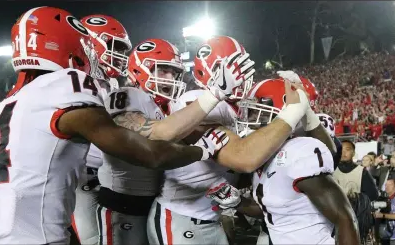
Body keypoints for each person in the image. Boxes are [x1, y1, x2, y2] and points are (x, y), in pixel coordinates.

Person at [0, 7, 230, 244]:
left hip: (2, 215)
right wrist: (204, 150)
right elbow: (150, 154)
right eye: (84, 45)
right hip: (35, 224)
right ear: (62, 44)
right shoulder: (67, 82)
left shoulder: (15, 96)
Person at [95, 37, 253, 245]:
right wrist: (216, 92)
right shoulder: (127, 95)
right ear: (139, 69)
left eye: (174, 72)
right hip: (123, 204)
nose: (170, 77)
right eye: (162, 70)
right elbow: (160, 134)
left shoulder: (168, 106)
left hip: (154, 201)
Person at [207, 78, 360, 245]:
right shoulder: (264, 157)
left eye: (255, 111)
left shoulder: (298, 152)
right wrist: (237, 201)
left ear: (281, 113)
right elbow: (271, 210)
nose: (247, 118)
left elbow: (345, 218)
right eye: (247, 111)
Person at [146, 36, 253, 245]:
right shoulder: (194, 98)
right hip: (181, 216)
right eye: (232, 71)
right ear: (209, 71)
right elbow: (240, 156)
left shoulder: (236, 108)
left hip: (210, 219)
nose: (240, 77)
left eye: (242, 70)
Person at [72, 14, 132, 245]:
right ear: (92, 44)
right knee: (92, 240)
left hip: (109, 176)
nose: (121, 56)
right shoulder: (75, 81)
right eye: (114, 46)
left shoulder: (113, 84)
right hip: (82, 177)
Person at [374, 172, 395, 244]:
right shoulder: (387, 199)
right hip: (388, 236)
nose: (387, 187)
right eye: (386, 185)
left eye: (390, 185)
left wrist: (383, 215)